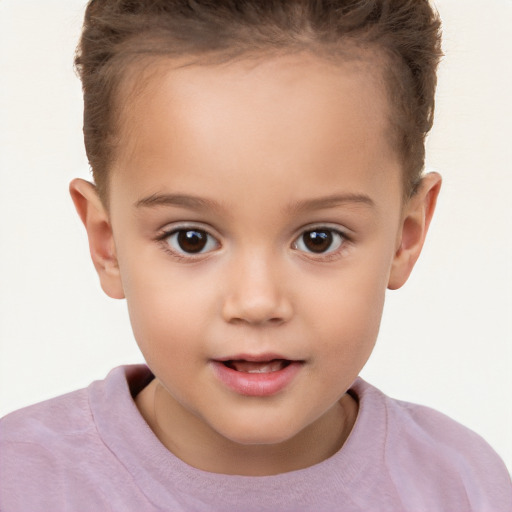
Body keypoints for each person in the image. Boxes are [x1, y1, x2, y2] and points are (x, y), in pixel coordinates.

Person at [1, 0, 511, 510]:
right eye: (191, 239)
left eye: (319, 239)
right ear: (106, 242)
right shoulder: (18, 482)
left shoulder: (463, 485)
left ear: (406, 234)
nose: (257, 302)